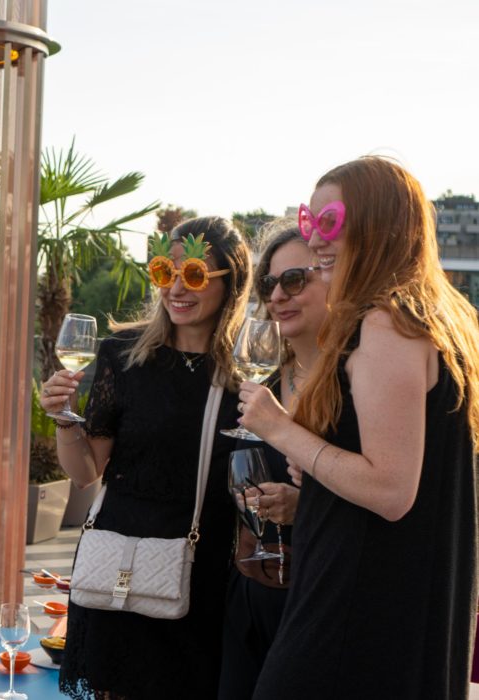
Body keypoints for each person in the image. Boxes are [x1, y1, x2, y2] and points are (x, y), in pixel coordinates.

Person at [241, 156, 479, 699]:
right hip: (393, 608)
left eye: (329, 223)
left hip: (358, 613)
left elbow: (391, 490)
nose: (314, 239)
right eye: (309, 221)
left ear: (379, 224)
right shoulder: (434, 321)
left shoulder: (386, 323)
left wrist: (280, 429)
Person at [41, 216, 251, 699]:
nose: (175, 288)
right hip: (119, 567)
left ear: (231, 283)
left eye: (194, 274)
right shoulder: (123, 355)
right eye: (164, 272)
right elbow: (85, 471)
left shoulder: (248, 373)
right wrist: (63, 418)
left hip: (202, 575)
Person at [217, 219, 327, 699]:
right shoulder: (261, 383)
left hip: (318, 602)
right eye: (269, 283)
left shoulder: (354, 386)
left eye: (294, 279)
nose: (279, 295)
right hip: (249, 594)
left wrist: (306, 505)